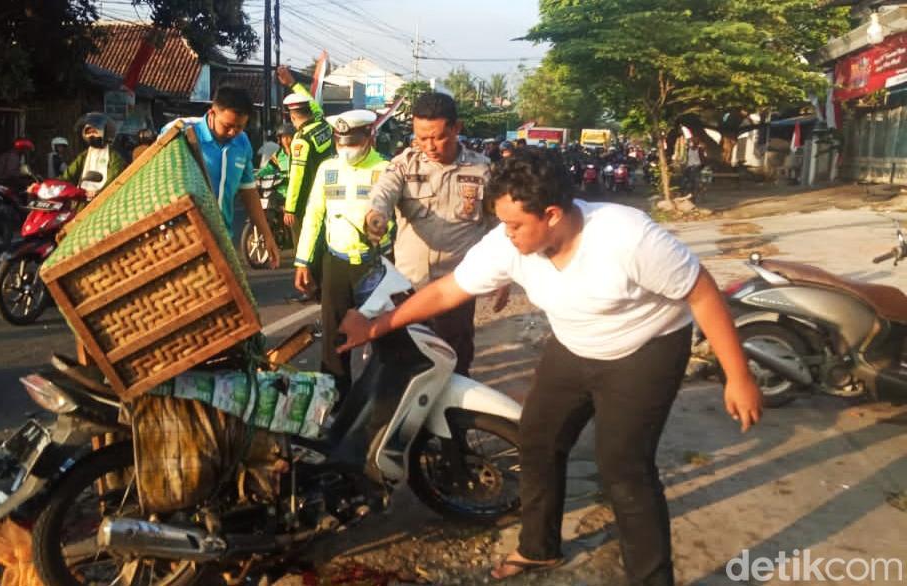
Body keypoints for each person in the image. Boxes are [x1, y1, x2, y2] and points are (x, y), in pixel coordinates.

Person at [338, 148, 764, 585]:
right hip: (574, 345)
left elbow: (702, 292)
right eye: (502, 222)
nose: (507, 234)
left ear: (554, 214)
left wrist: (739, 376)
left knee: (624, 467)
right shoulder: (508, 243)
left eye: (516, 224)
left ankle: (652, 578)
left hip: (647, 348)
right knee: (538, 440)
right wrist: (376, 327)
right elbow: (449, 290)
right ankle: (538, 548)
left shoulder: (627, 237)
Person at [365, 92, 507, 376]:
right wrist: (375, 217)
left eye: (437, 137)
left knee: (455, 362)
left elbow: (499, 225)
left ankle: (450, 420)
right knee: (400, 363)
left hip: (457, 288)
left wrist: (503, 276)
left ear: (457, 128)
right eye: (421, 137)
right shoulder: (405, 165)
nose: (428, 145)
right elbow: (383, 195)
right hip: (408, 287)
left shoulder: (481, 170)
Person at [293, 109, 391, 391]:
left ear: (369, 136)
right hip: (335, 262)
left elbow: (399, 217)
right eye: (341, 143)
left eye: (353, 143)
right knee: (334, 339)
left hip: (374, 264)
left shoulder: (385, 169)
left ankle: (382, 398)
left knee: (383, 335)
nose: (347, 149)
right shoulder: (328, 169)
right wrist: (302, 261)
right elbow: (313, 214)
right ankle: (335, 400)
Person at [162, 86, 280, 266]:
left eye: (240, 127)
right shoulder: (179, 132)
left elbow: (248, 192)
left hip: (221, 238)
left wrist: (267, 235)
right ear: (212, 113)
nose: (233, 132)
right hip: (179, 239)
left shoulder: (242, 143)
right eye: (227, 126)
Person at [277, 65, 334, 301]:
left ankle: (312, 288)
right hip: (329, 194)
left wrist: (290, 208)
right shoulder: (323, 125)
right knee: (322, 242)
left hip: (308, 201)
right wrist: (292, 84)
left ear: (291, 115)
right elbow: (313, 103)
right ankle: (321, 286)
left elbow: (297, 176)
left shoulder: (300, 141)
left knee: (304, 244)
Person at [61, 112, 127, 200]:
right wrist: (50, 185)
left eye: (95, 132)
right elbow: (68, 175)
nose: (91, 135)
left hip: (104, 201)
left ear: (106, 133)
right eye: (88, 132)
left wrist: (99, 193)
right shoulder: (84, 156)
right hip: (82, 199)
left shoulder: (114, 157)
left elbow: (113, 180)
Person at [255, 123, 294, 203]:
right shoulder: (278, 154)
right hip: (280, 192)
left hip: (295, 192)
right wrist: (257, 175)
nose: (286, 140)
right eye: (283, 137)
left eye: (288, 137)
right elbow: (270, 168)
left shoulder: (299, 153)